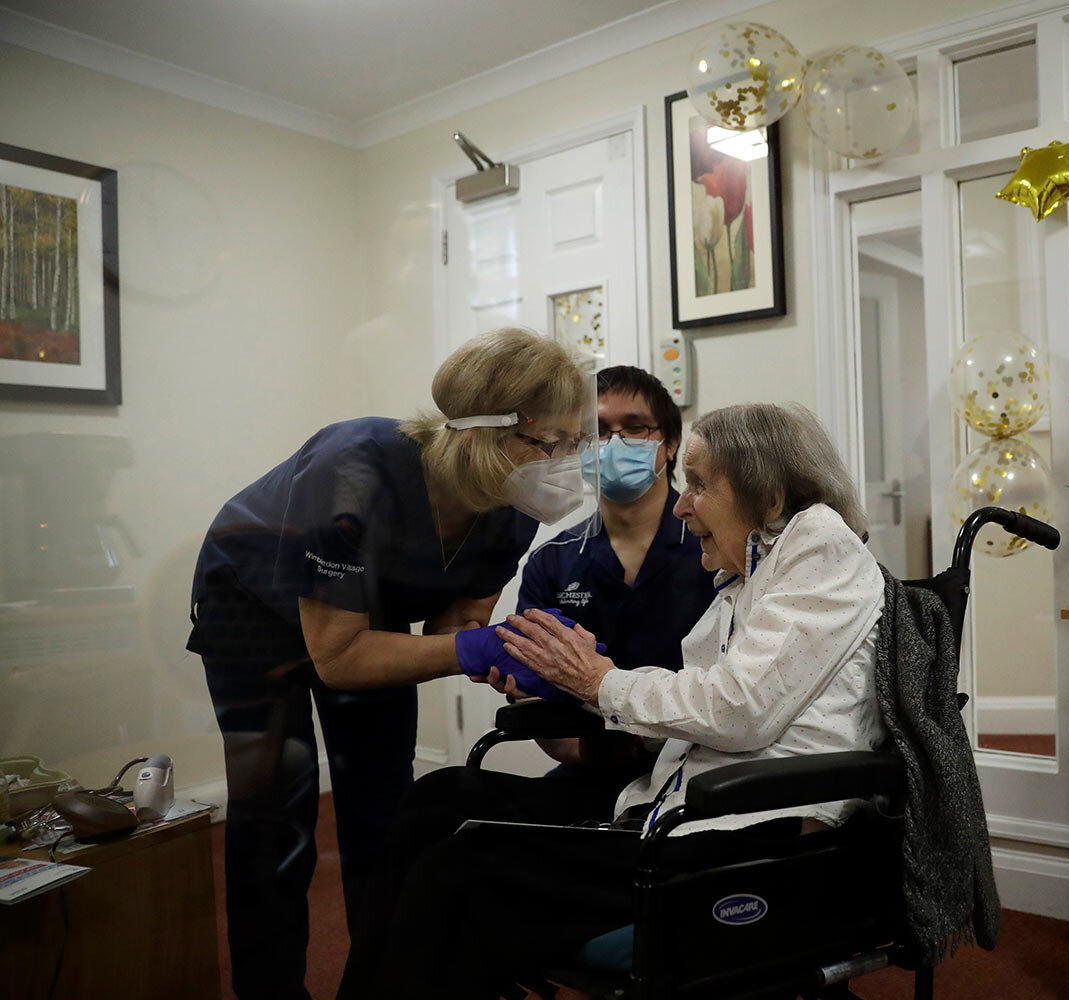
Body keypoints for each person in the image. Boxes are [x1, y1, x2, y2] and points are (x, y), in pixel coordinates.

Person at [338, 403, 886, 999]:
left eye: (698, 485)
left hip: (751, 830)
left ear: (772, 498)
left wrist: (599, 682)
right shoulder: (744, 577)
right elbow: (714, 710)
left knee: (456, 870)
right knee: (435, 800)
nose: (681, 504)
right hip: (685, 805)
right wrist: (569, 682)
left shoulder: (819, 543)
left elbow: (741, 708)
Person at [187, 328, 593, 1000]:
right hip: (252, 605)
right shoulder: (352, 473)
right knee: (275, 817)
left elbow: (455, 624)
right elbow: (341, 658)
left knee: (383, 809)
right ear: (476, 434)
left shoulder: (511, 505)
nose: (563, 465)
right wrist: (472, 648)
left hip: (361, 614)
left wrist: (510, 652)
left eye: (575, 444)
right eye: (549, 443)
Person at [515, 365, 715, 792]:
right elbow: (533, 699)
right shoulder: (551, 562)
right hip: (590, 768)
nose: (614, 443)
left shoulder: (717, 549)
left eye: (636, 428)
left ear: (671, 443)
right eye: (598, 430)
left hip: (704, 770)